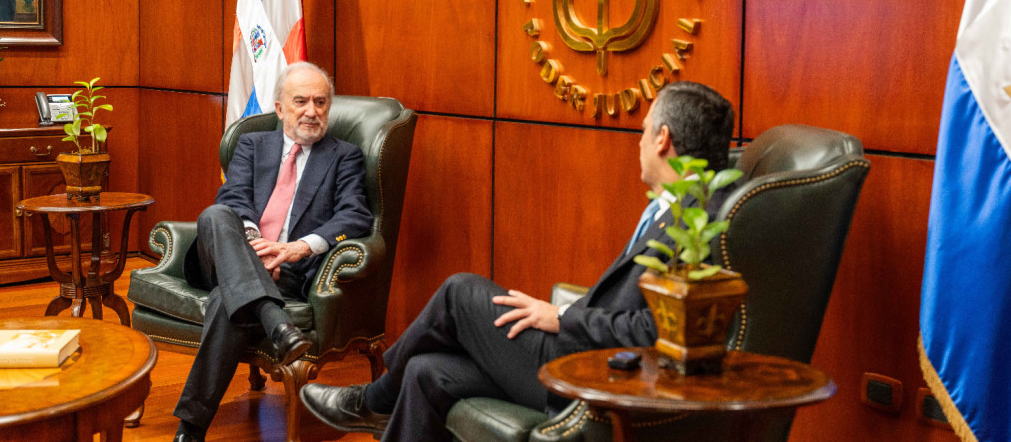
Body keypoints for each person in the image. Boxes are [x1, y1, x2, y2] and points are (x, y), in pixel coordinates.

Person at [300, 81, 736, 441]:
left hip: (595, 372)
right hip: (581, 348)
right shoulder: (679, 208)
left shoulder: (699, 224)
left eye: (643, 131)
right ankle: (380, 398)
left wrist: (561, 318)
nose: (638, 143)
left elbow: (656, 332)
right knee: (425, 371)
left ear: (663, 140)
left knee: (459, 292)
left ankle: (370, 400)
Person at [172, 62, 373, 442]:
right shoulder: (253, 144)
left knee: (224, 302)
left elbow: (355, 214)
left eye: (320, 102)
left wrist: (297, 248)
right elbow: (232, 198)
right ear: (280, 108)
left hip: (291, 270)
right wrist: (253, 248)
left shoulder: (344, 156)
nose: (311, 111)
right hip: (230, 255)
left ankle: (191, 429)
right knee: (215, 214)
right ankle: (273, 317)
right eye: (300, 101)